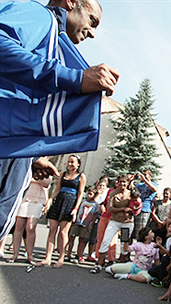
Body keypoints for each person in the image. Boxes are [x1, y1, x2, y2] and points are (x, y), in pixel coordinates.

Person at [0, 0, 119, 242]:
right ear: (71, 2)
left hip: (12, 145)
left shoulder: (53, 39)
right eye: (92, 20)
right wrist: (74, 78)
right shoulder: (41, 16)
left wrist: (33, 156)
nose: (93, 32)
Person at [38, 155, 86, 268]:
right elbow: (57, 189)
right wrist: (50, 199)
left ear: (78, 164)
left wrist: (75, 209)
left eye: (72, 162)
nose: (70, 164)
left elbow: (80, 194)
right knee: (52, 231)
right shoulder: (63, 175)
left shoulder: (81, 176)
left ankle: (61, 258)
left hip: (70, 203)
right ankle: (48, 258)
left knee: (63, 233)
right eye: (68, 162)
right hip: (59, 201)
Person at [91, 174, 134, 273]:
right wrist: (123, 209)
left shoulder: (131, 193)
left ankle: (122, 266)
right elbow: (110, 209)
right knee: (106, 241)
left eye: (124, 181)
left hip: (127, 223)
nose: (122, 184)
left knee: (124, 243)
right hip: (114, 221)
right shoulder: (113, 193)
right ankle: (99, 264)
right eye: (121, 181)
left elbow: (135, 206)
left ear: (127, 183)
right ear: (117, 182)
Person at [7, 176, 51, 264]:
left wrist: (35, 178)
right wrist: (37, 179)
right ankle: (15, 254)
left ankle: (30, 255)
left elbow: (46, 183)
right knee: (19, 226)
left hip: (37, 200)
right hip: (24, 198)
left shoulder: (46, 170)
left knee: (31, 227)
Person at [66, 187, 100, 264]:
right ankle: (68, 254)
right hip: (78, 222)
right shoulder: (83, 201)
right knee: (71, 237)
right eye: (88, 193)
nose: (89, 195)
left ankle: (78, 255)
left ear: (95, 195)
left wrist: (91, 224)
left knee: (82, 240)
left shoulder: (96, 205)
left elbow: (95, 215)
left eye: (91, 194)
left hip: (86, 224)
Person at [86, 177, 109, 262]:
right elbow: (94, 202)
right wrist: (98, 194)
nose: (101, 187)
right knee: (88, 235)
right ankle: (88, 253)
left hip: (101, 215)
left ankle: (95, 252)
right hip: (91, 214)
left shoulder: (106, 194)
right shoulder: (96, 194)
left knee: (96, 235)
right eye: (100, 185)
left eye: (103, 186)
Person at [134, 170, 158, 240]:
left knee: (141, 232)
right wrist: (131, 180)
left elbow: (154, 189)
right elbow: (133, 190)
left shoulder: (153, 184)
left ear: (150, 175)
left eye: (145, 175)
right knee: (134, 232)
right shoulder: (139, 185)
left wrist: (145, 180)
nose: (143, 176)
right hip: (136, 209)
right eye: (142, 175)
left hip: (145, 209)